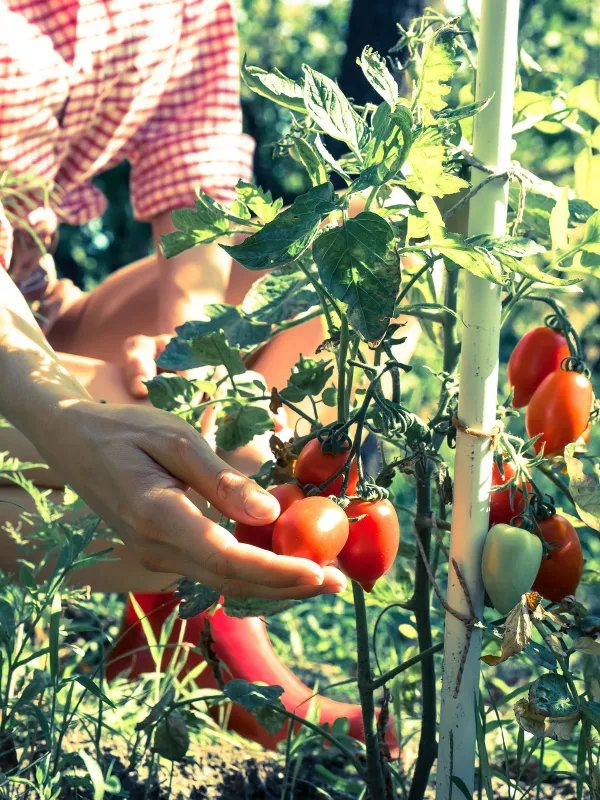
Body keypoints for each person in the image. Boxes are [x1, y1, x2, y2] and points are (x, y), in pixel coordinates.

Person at [0, 0, 345, 599]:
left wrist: (191, 353)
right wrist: (69, 421)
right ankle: (208, 617)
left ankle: (194, 605)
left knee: (355, 258)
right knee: (204, 480)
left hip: (35, 311)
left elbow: (193, 177)